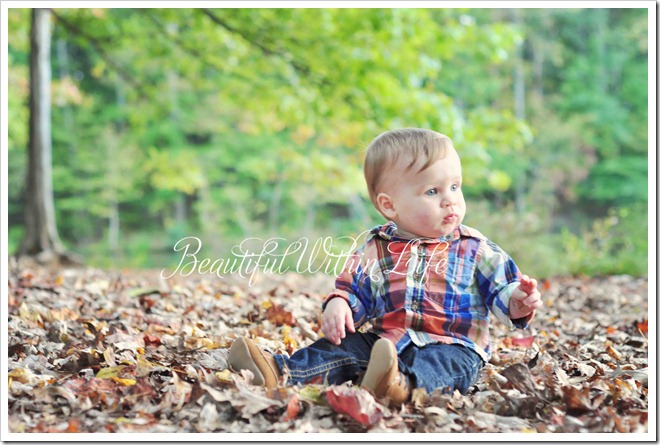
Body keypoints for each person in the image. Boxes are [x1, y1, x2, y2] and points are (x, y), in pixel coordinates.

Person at [228, 128, 543, 405]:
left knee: (441, 366)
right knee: (342, 349)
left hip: (453, 345)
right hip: (387, 342)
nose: (449, 200)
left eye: (455, 186)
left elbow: (502, 289)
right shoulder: (375, 248)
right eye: (432, 191)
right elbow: (355, 290)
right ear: (389, 205)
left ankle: (399, 386)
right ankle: (281, 372)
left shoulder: (475, 248)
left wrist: (517, 301)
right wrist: (341, 304)